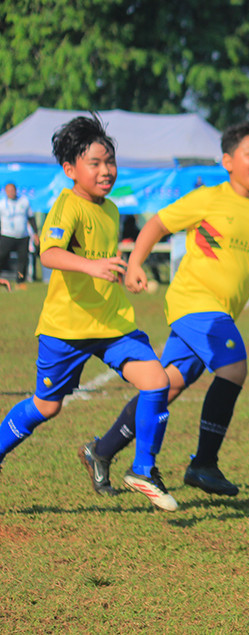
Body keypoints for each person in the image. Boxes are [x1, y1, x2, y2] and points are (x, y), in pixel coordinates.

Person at [84, 121, 249, 498]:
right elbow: (157, 224)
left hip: (217, 313)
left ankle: (100, 451)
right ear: (227, 161)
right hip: (194, 304)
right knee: (234, 368)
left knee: (166, 386)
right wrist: (135, 263)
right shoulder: (209, 198)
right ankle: (204, 463)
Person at [0, 113, 177, 511]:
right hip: (67, 326)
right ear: (70, 169)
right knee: (48, 406)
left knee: (156, 382)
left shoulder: (111, 210)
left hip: (111, 321)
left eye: (110, 162)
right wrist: (92, 267)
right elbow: (49, 253)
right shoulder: (67, 206)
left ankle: (143, 469)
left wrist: (124, 272)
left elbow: (103, 257)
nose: (105, 170)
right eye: (95, 163)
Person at [0, 182, 40, 289]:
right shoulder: (2, 204)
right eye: (8, 191)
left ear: (16, 190)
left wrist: (35, 233)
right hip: (6, 235)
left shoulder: (24, 201)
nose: (11, 193)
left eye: (12, 190)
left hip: (22, 236)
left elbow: (31, 218)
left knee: (23, 260)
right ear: (5, 192)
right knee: (1, 257)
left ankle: (20, 281)